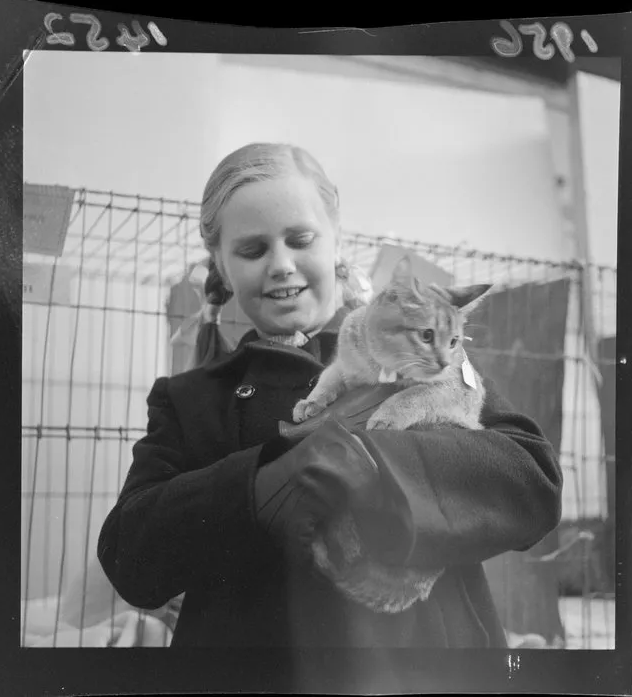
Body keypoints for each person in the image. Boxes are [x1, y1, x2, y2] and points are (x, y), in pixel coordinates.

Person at [97, 142, 563, 690]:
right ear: (220, 264)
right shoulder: (191, 397)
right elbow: (129, 553)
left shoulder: (423, 351)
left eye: (300, 239)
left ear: (336, 240)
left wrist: (385, 466)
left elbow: (533, 480)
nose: (281, 265)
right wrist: (258, 485)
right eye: (251, 249)